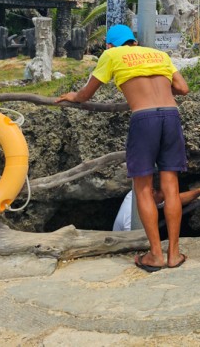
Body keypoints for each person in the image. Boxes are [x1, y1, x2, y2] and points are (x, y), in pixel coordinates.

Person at [57, 24, 190, 271]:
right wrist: (158, 88)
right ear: (134, 42)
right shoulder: (159, 55)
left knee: (143, 187)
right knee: (171, 186)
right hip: (171, 116)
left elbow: (86, 94)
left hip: (144, 119)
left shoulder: (111, 55)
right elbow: (183, 88)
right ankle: (174, 254)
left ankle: (155, 256)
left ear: (110, 45)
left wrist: (73, 96)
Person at [113, 178, 200, 232]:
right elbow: (133, 241)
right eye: (165, 191)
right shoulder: (132, 214)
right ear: (153, 191)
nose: (169, 193)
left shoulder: (146, 194)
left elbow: (176, 200)